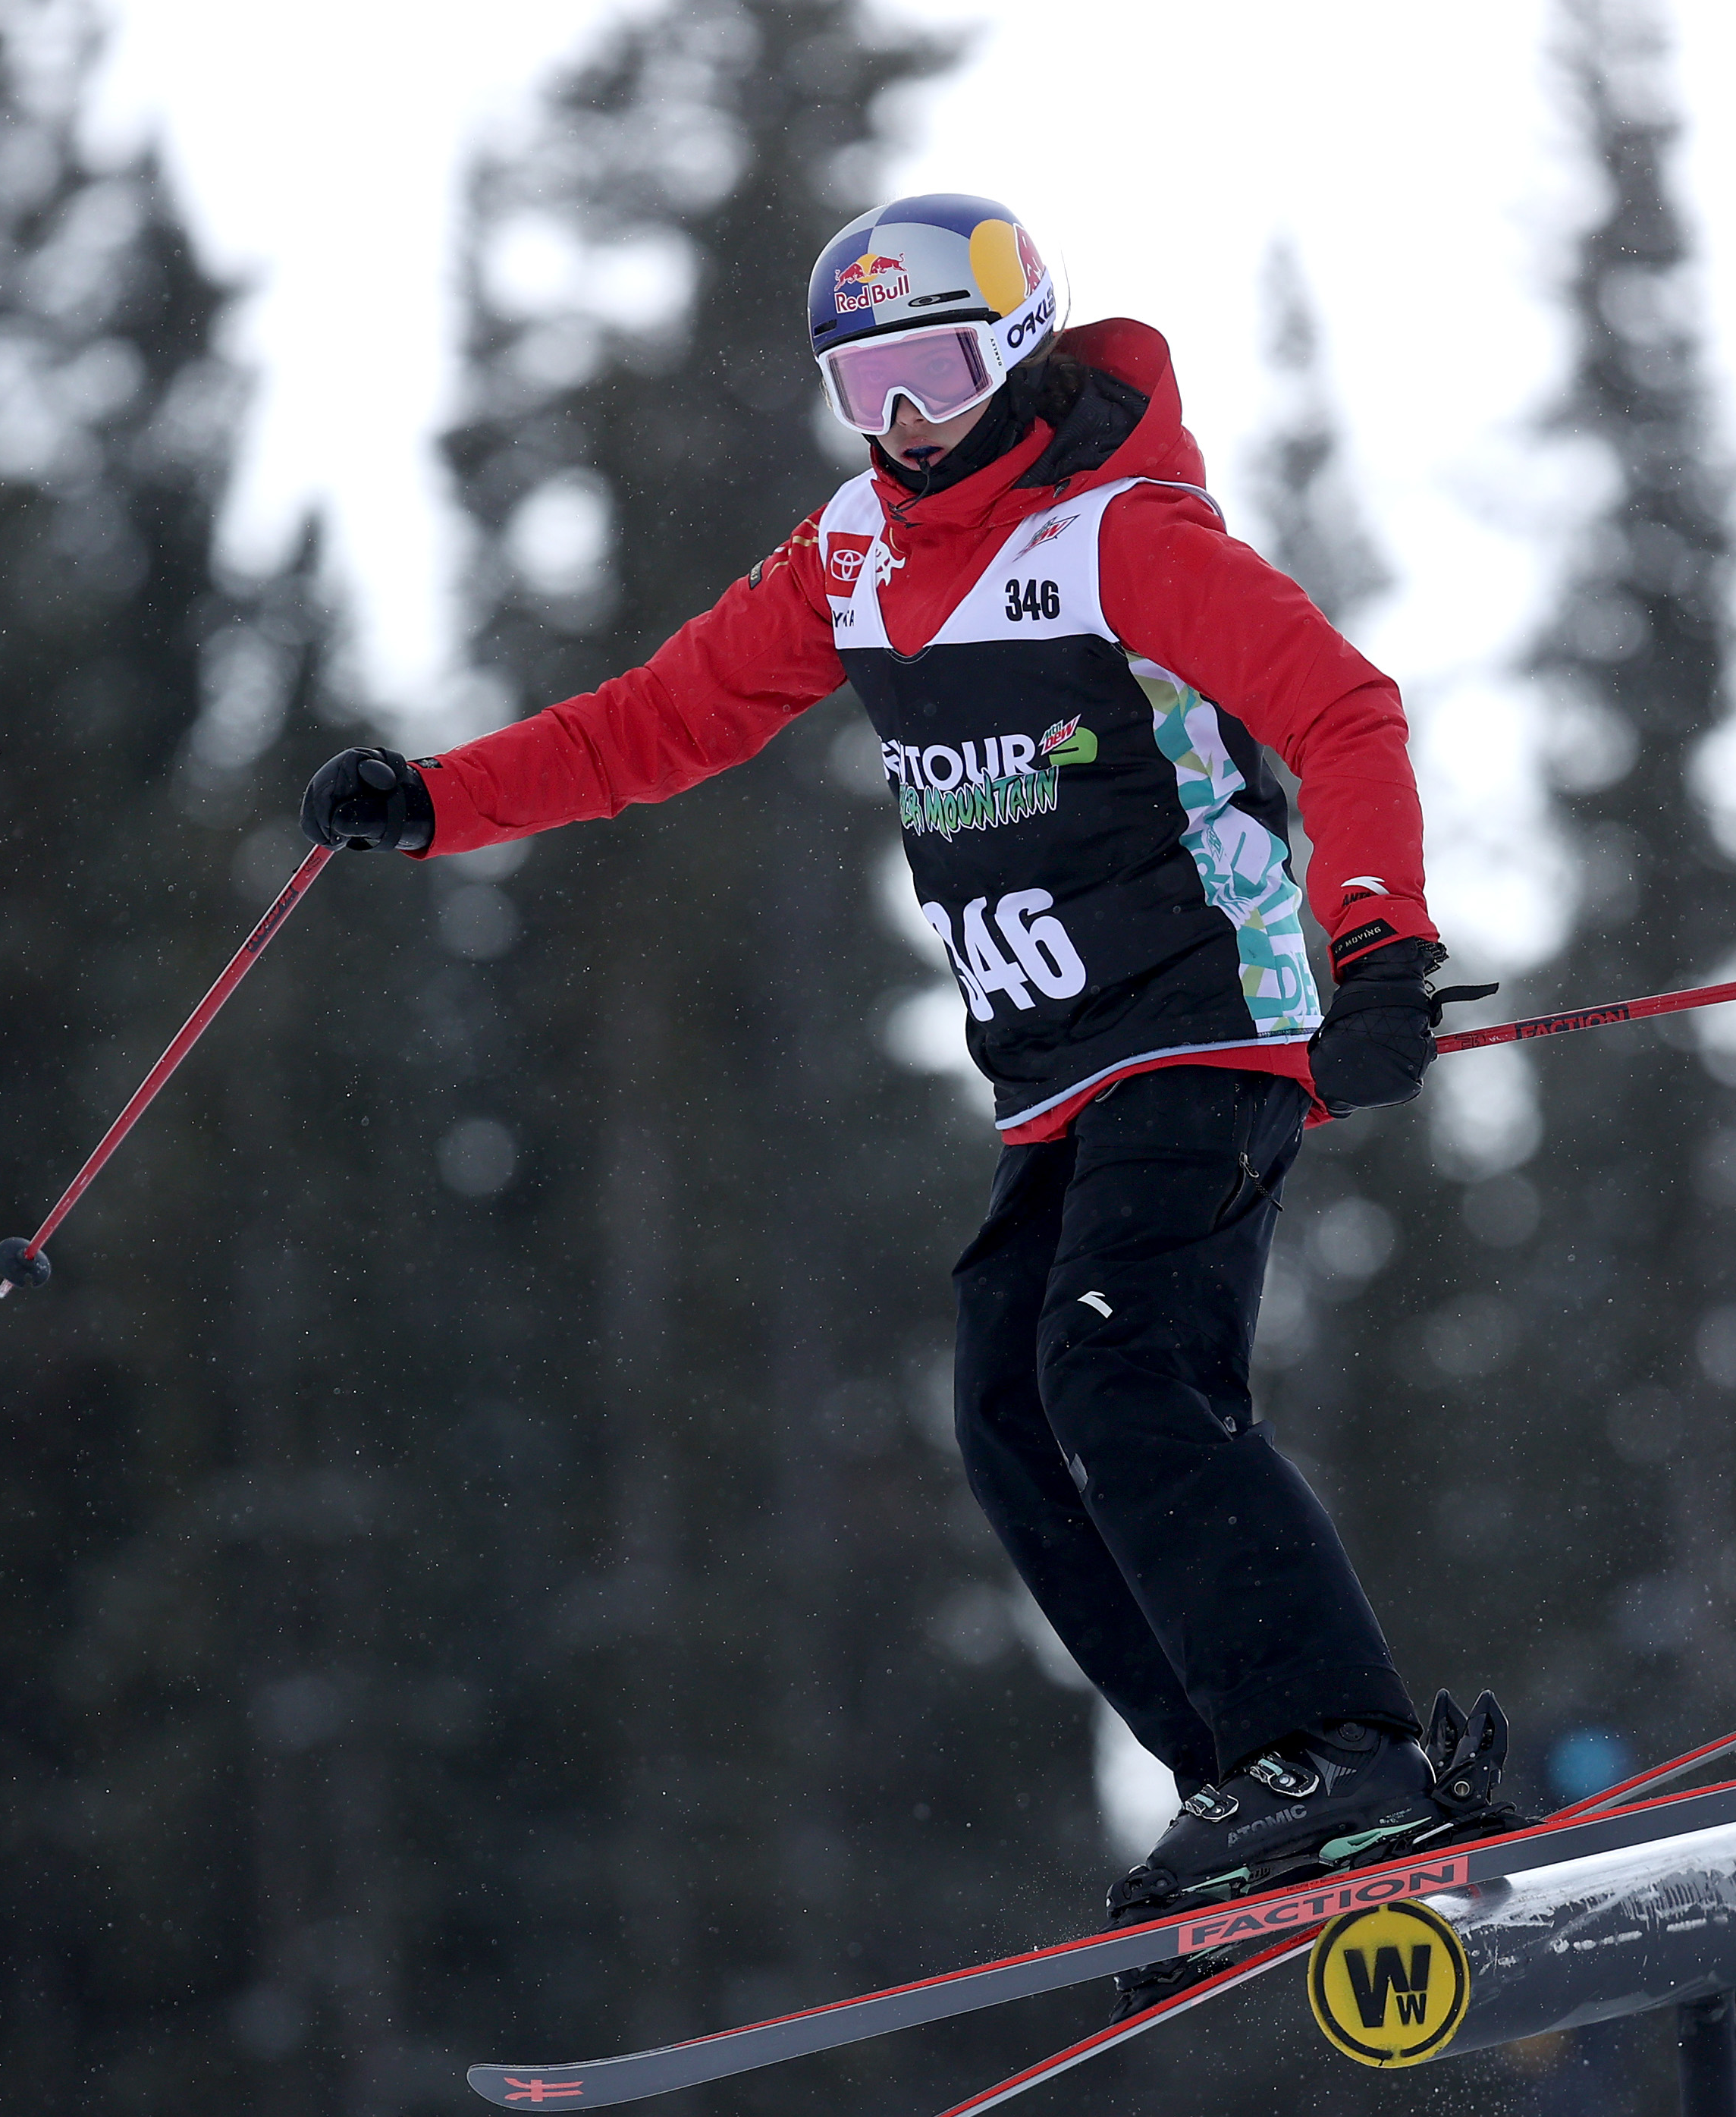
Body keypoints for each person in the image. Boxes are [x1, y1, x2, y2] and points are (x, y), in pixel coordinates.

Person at [300, 192, 1492, 1927]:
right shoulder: (853, 556)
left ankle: (1346, 1752)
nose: (906, 422)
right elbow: (661, 720)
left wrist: (1374, 938)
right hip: (1055, 1073)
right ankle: (1250, 1779)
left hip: (1205, 1027)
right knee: (1006, 1409)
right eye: (867, 389)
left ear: (1012, 348)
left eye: (933, 372)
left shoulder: (1120, 536)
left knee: (1118, 1366)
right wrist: (435, 805)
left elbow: (1341, 706)